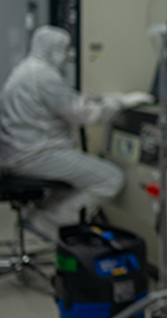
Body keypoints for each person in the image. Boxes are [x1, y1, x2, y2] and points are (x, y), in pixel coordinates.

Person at [0, 25, 153, 239]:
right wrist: (119, 103)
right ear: (52, 50)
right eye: (65, 50)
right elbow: (84, 115)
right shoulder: (44, 76)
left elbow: (67, 102)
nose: (68, 56)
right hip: (35, 155)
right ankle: (49, 224)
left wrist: (104, 99)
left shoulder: (25, 69)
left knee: (73, 182)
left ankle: (41, 216)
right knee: (110, 178)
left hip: (18, 154)